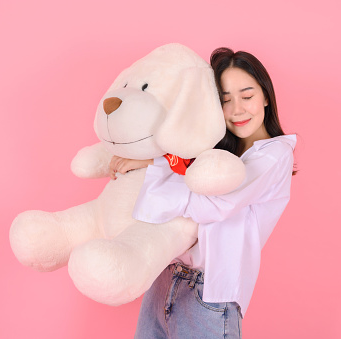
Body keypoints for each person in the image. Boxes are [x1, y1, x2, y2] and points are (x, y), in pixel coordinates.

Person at [109, 48, 296, 338]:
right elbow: (188, 171)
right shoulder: (215, 150)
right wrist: (151, 161)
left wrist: (157, 176)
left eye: (247, 96)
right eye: (225, 101)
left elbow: (213, 203)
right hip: (164, 279)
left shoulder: (274, 155)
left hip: (209, 293)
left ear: (266, 96)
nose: (237, 110)